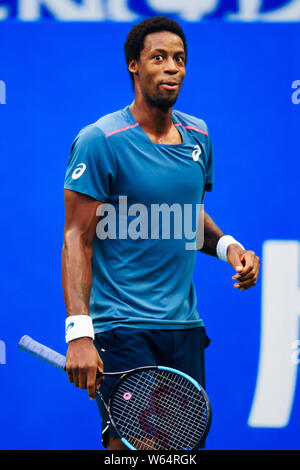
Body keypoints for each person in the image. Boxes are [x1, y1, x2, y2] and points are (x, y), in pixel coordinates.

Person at [62, 16, 260, 450]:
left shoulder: (199, 136)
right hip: (122, 327)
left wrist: (230, 248)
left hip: (183, 328)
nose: (172, 67)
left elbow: (187, 216)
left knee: (180, 452)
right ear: (134, 66)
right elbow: (77, 238)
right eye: (159, 58)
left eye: (180, 59)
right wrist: (79, 331)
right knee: (133, 452)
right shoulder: (101, 140)